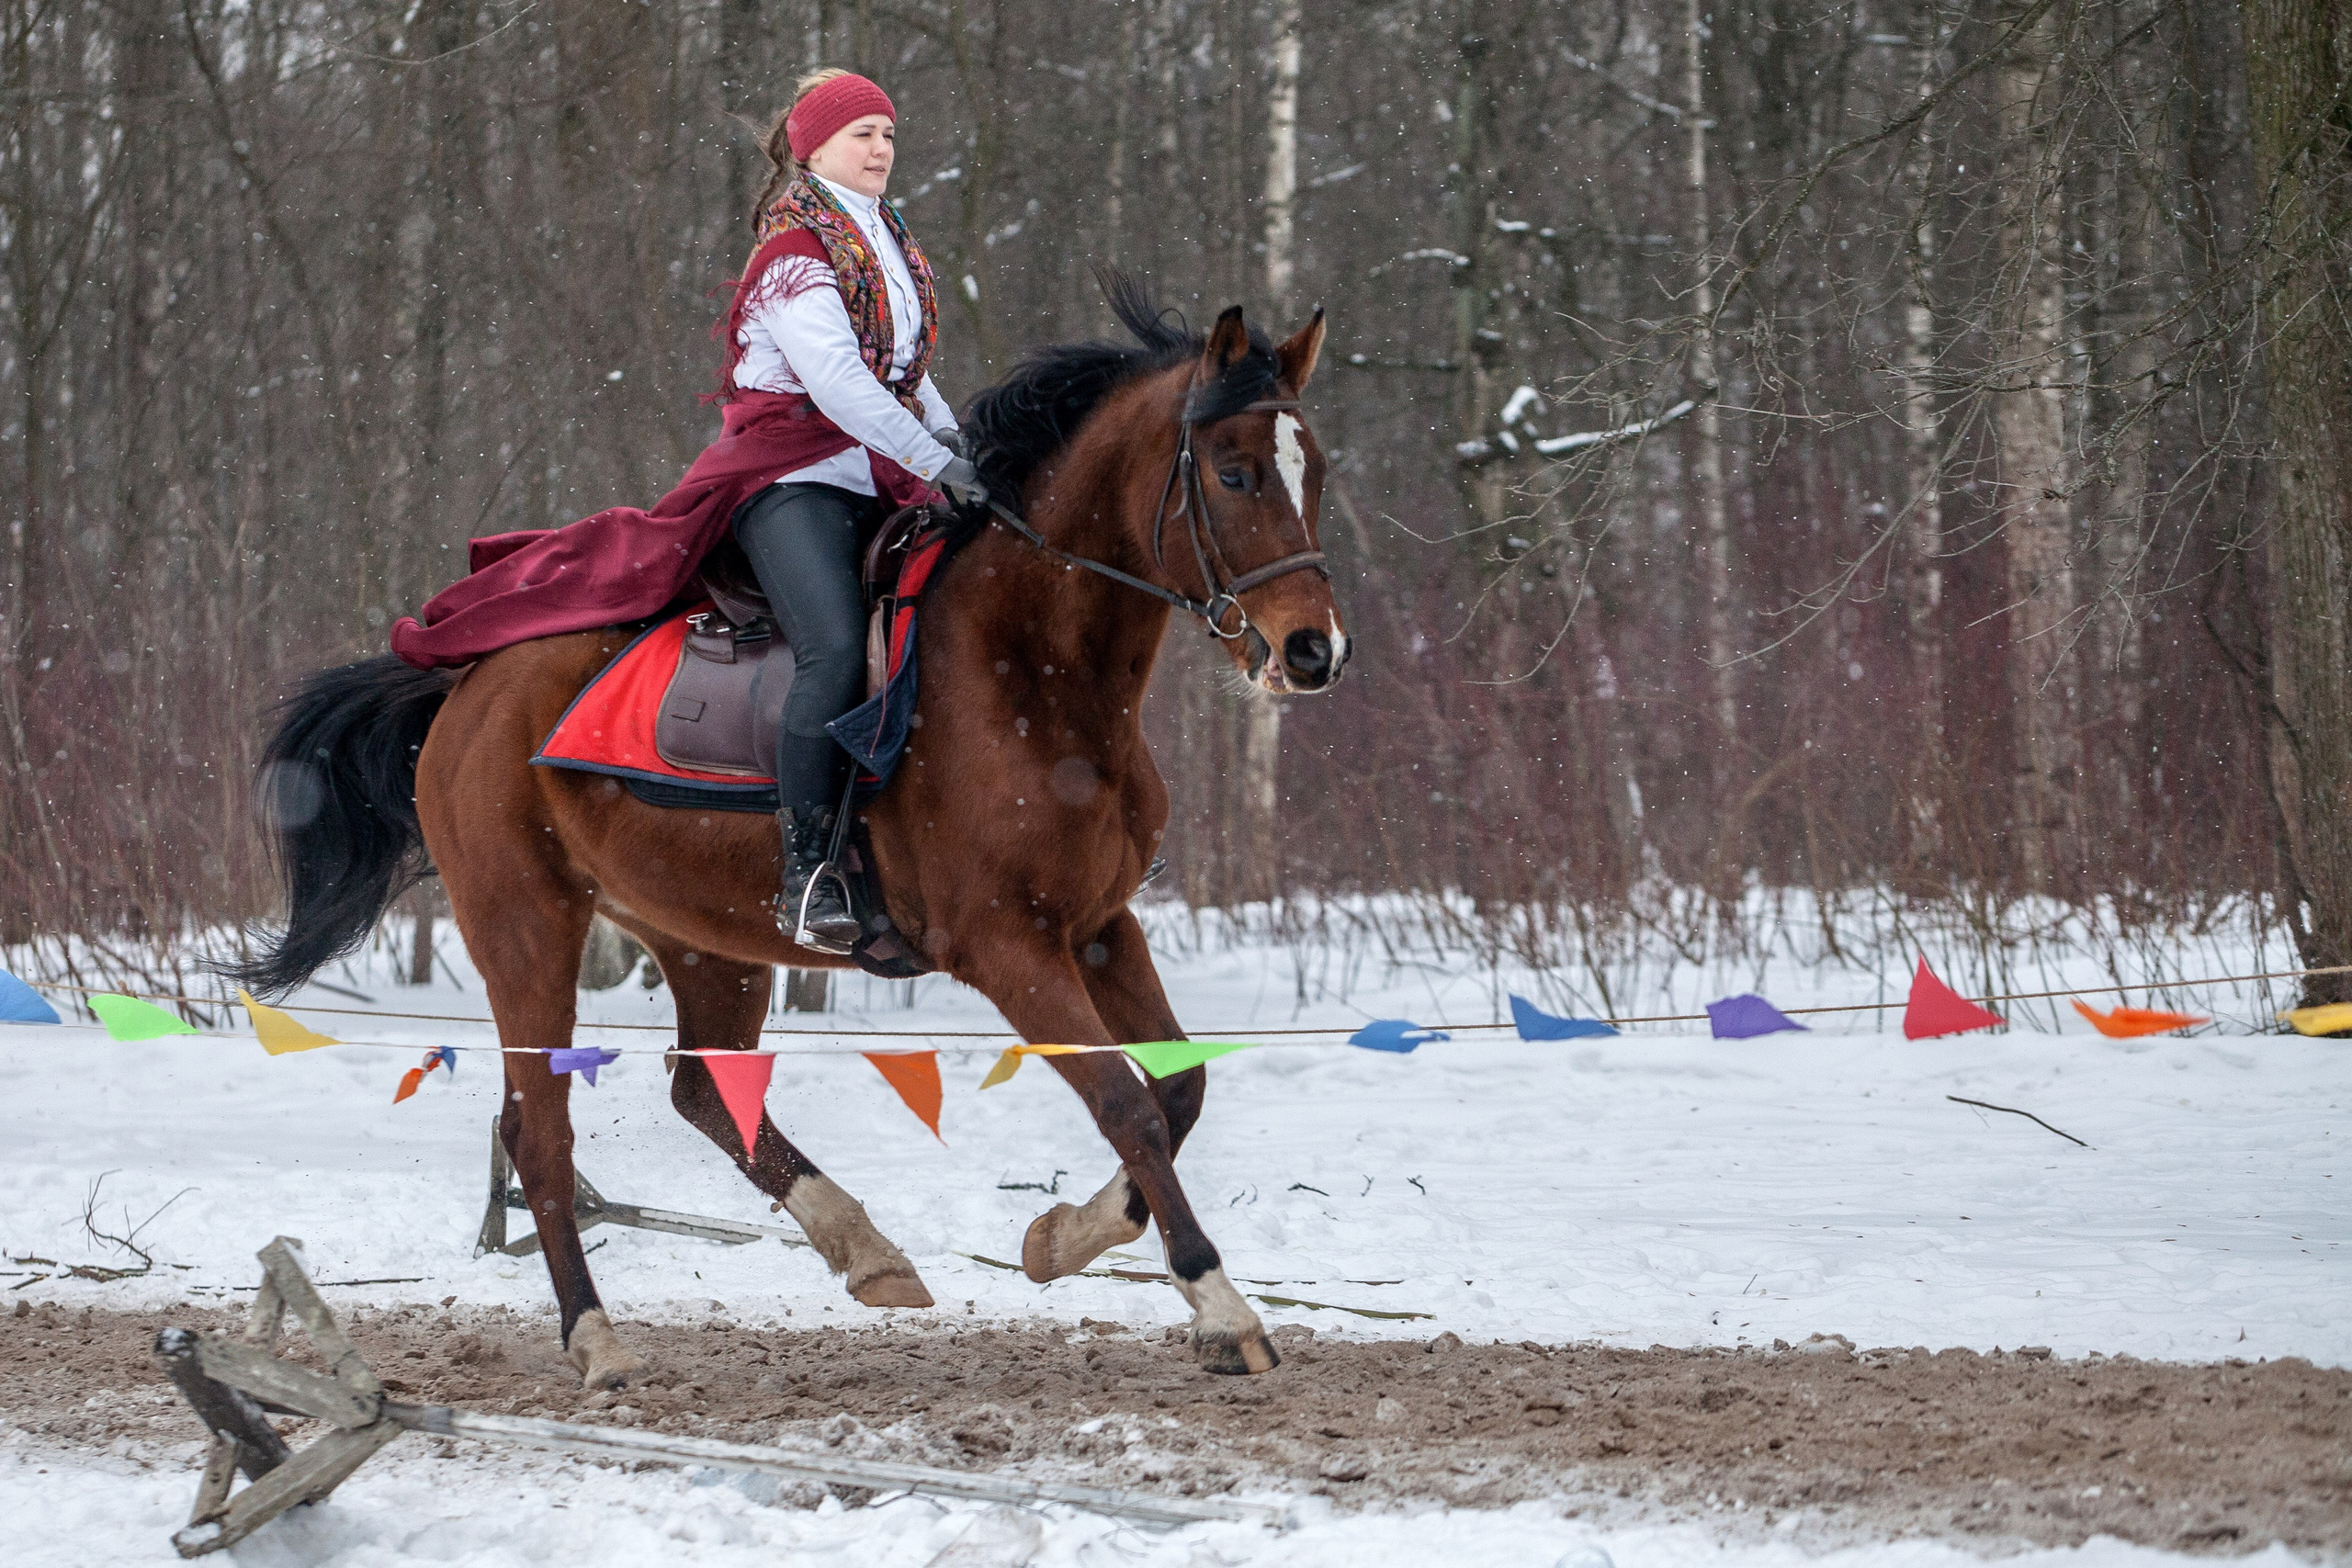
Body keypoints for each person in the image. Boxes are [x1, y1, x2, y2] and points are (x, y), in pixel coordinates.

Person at [390, 68, 986, 955]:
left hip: (878, 475)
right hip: (791, 480)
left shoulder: (888, 241)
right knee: (828, 644)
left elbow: (904, 373)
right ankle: (809, 870)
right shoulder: (792, 256)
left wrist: (965, 450)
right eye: (861, 134)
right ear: (813, 146)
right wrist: (935, 458)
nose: (880, 149)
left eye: (888, 135)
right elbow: (838, 382)